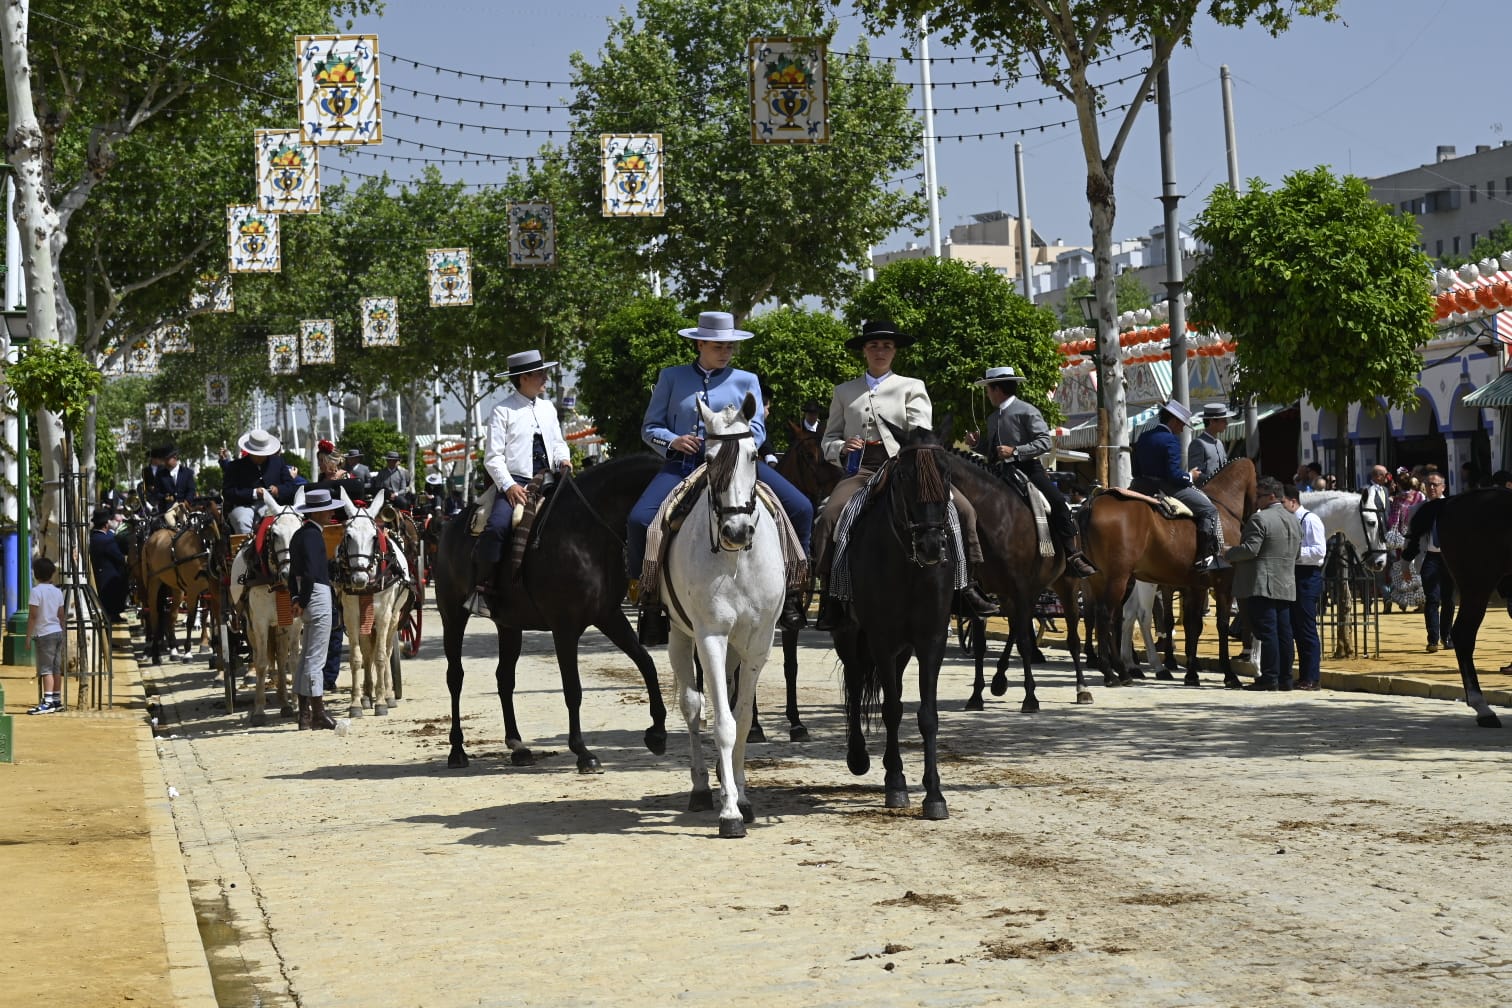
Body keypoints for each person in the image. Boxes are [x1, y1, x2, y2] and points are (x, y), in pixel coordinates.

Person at [627, 310, 813, 644]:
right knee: (640, 520)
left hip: (738, 467)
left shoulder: (747, 380)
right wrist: (673, 440)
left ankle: (793, 593)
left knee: (801, 508)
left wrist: (736, 449)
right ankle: (649, 601)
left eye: (730, 346)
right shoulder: (671, 377)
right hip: (684, 466)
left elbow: (756, 429)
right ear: (700, 343)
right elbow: (650, 428)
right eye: (718, 345)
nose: (726, 351)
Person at [811, 318, 994, 631]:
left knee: (963, 510)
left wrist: (911, 455)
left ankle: (965, 587)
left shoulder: (912, 387)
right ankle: (832, 595)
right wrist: (842, 447)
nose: (880, 351)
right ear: (864, 351)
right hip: (862, 467)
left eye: (886, 346)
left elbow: (922, 434)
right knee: (829, 515)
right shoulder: (844, 391)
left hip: (907, 466)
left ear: (894, 352)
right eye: (873, 345)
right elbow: (828, 438)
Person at [967, 365, 1096, 578]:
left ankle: (1072, 555)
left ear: (997, 389)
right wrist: (976, 445)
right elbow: (992, 452)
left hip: (1028, 469)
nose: (987, 394)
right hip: (998, 472)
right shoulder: (992, 418)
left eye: (988, 389)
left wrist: (1015, 451)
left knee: (1058, 503)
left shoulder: (1027, 410)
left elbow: (1044, 442)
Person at [473, 349, 572, 606]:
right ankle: (486, 587)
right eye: (540, 373)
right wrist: (509, 486)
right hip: (515, 482)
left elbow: (558, 443)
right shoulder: (501, 411)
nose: (545, 378)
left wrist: (564, 458)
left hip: (550, 477)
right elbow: (492, 458)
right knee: (496, 527)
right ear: (523, 378)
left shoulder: (549, 407)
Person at [1226, 476, 1301, 691]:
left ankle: (1269, 677)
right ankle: (1285, 677)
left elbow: (1250, 549)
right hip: (1286, 583)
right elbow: (1296, 553)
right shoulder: (1294, 519)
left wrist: (1228, 552)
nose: (1255, 500)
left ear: (1270, 496)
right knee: (1284, 633)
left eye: (1259, 496)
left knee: (1267, 633)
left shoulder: (1260, 519)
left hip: (1262, 584)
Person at [1132, 399, 1223, 571]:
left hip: (1140, 486)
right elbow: (1174, 475)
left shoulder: (1143, 437)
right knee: (1210, 510)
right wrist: (1190, 475)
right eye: (1182, 425)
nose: (1182, 429)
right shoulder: (1171, 440)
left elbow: (1136, 470)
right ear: (1174, 421)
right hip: (1166, 487)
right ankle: (1204, 557)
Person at [288, 488, 343, 730]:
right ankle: (318, 712)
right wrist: (305, 598)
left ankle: (304, 715)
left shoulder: (299, 535)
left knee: (306, 656)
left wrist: (296, 597)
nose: (331, 512)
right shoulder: (312, 536)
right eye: (328, 509)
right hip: (317, 594)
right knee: (315, 658)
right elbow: (310, 572)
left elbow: (293, 573)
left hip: (306, 593)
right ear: (318, 512)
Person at [1279, 484, 1326, 690]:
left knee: (1306, 628)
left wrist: (1293, 553)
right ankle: (1301, 674)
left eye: (1282, 503)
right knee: (1294, 628)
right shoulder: (1288, 520)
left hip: (1307, 576)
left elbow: (1318, 551)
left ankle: (1312, 677)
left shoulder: (1310, 520)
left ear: (1293, 501)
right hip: (1292, 575)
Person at [1407, 473, 1455, 653]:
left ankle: (1447, 636)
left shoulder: (1451, 507)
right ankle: (1433, 639)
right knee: (1432, 599)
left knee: (1448, 600)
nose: (1432, 488)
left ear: (1443, 487)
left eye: (1435, 485)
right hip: (1430, 558)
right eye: (1428, 485)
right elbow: (1411, 536)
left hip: (1449, 558)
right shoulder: (1419, 509)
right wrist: (1406, 561)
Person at [219, 428, 299, 534]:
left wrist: (277, 490)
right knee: (241, 520)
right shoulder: (235, 466)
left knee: (275, 521)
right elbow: (228, 492)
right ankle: (246, 549)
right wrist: (254, 493)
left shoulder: (278, 463)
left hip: (272, 505)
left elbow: (291, 486)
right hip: (244, 506)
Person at [26, 556, 67, 714]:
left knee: (46, 669)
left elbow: (33, 616)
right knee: (56, 669)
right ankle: (57, 700)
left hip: (44, 634)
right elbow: (61, 614)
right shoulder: (57, 592)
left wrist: (28, 636)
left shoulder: (36, 592)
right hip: (57, 632)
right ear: (52, 574)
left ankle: (47, 701)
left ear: (35, 574)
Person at [89, 508, 129, 624]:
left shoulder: (93, 537)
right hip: (109, 576)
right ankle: (114, 615)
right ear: (106, 525)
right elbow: (119, 558)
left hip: (98, 574)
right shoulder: (107, 539)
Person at [1188, 403, 1233, 484]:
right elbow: (1196, 474)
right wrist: (1217, 481)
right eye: (1223, 420)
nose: (1226, 424)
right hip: (1204, 491)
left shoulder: (1219, 443)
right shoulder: (1198, 443)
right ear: (1212, 421)